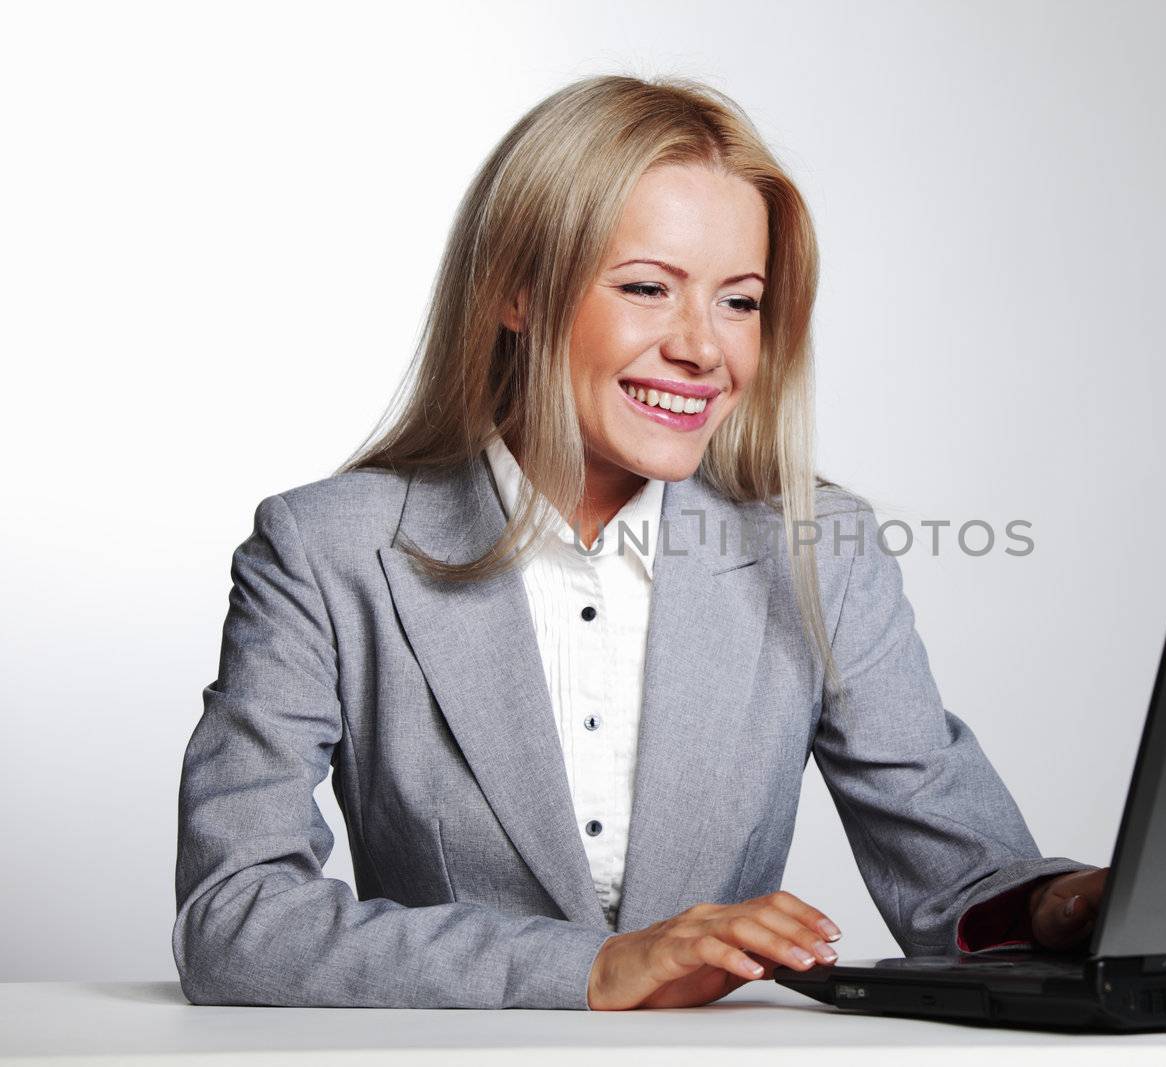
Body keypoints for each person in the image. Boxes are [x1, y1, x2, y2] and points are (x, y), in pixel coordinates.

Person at [173, 73, 1107, 1013]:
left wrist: (1075, 904)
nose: (704, 349)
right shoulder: (325, 549)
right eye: (650, 288)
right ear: (516, 293)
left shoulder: (824, 547)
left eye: (740, 301)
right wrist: (592, 967)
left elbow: (964, 879)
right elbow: (235, 918)